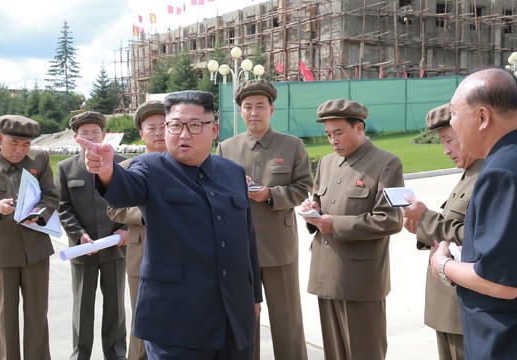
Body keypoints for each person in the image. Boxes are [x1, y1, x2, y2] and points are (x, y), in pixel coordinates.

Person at [77, 90, 263, 359]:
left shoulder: (232, 172)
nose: (184, 134)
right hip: (175, 321)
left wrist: (254, 294)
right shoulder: (151, 168)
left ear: (214, 130)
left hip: (233, 315)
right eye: (175, 125)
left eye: (195, 126)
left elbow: (247, 240)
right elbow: (122, 190)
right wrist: (106, 170)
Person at [430, 68, 517, 358]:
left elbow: (502, 283)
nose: (452, 123)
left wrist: (443, 265)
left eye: (454, 114)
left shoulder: (503, 171)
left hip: (512, 339)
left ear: (482, 117)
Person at [300, 99, 404, 360]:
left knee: (364, 352)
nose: (332, 140)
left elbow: (391, 220)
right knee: (334, 352)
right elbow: (322, 205)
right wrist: (312, 208)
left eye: (338, 133)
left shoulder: (388, 163)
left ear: (359, 127)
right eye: (327, 135)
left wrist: (334, 224)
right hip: (326, 273)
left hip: (361, 279)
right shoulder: (326, 163)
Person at [216, 79, 311, 360]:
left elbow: (303, 188)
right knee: (245, 318)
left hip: (277, 245)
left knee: (286, 317)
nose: (254, 112)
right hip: (239, 247)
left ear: (271, 109)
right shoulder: (226, 148)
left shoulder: (292, 146)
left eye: (260, 106)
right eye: (248, 107)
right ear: (241, 112)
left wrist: (270, 194)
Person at [0, 115, 58, 360]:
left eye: (26, 145)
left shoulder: (40, 160)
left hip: (36, 251)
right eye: (14, 144)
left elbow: (51, 196)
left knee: (37, 315)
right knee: (5, 319)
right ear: (0, 139)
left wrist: (40, 213)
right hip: (1, 253)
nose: (20, 150)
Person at [400, 103, 483, 360]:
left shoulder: (486, 175)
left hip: (463, 310)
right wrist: (421, 227)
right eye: (442, 142)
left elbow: (476, 238)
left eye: (450, 140)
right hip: (448, 308)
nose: (446, 151)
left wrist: (425, 218)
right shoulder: (470, 173)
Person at [56, 111, 128, 360]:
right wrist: (79, 235)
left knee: (116, 308)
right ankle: (80, 355)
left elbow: (135, 201)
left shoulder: (122, 162)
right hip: (82, 248)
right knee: (82, 308)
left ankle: (116, 354)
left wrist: (126, 229)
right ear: (76, 137)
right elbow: (63, 207)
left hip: (116, 247)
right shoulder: (66, 168)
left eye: (94, 132)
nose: (90, 136)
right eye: (84, 133)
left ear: (104, 134)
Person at [107, 100, 167, 360]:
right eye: (151, 127)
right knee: (142, 322)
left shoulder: (188, 165)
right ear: (142, 134)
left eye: (165, 126)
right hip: (141, 252)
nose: (159, 132)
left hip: (185, 255)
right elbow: (113, 209)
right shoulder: (126, 169)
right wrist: (145, 214)